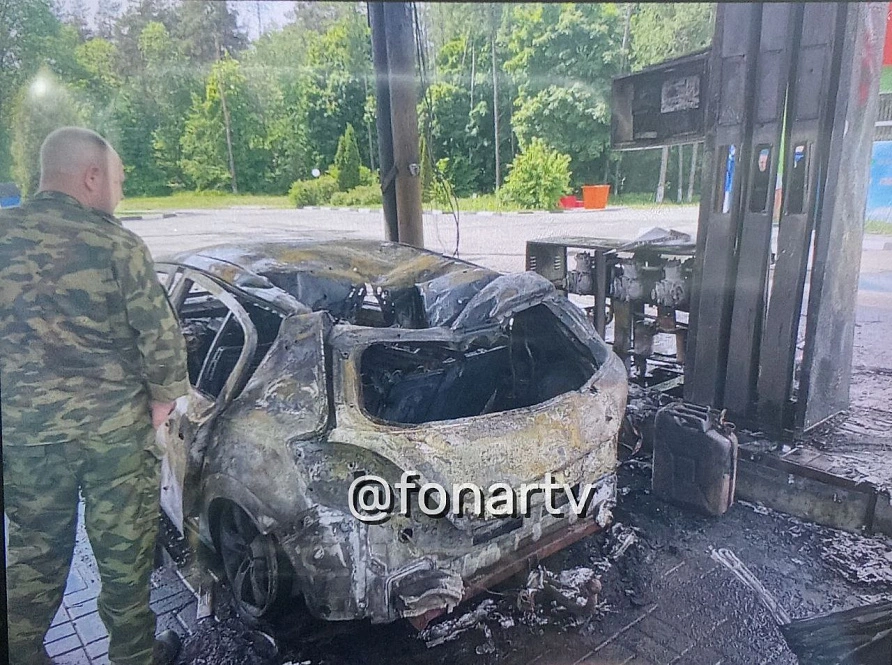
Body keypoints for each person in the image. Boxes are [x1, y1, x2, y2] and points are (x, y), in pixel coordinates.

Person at [0, 127, 190, 665]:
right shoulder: (117, 245)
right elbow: (162, 342)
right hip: (115, 438)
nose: (120, 193)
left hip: (27, 437)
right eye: (119, 181)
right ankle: (135, 658)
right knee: (124, 560)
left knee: (33, 556)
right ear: (91, 176)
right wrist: (159, 410)